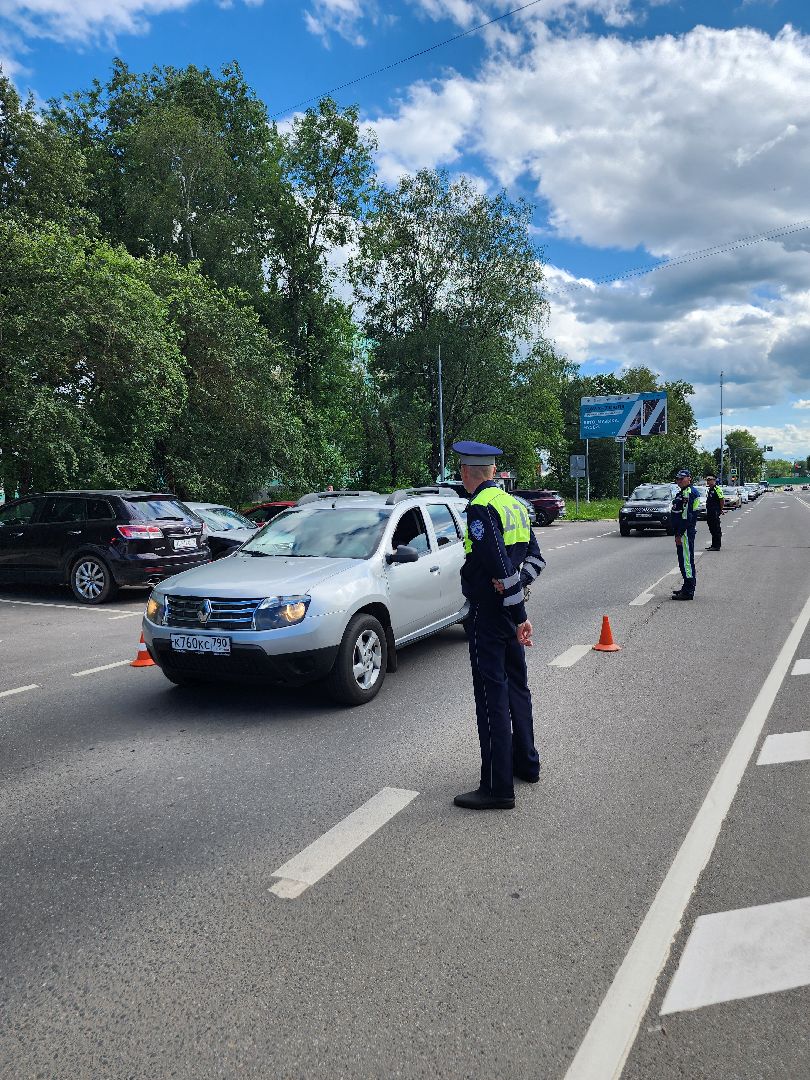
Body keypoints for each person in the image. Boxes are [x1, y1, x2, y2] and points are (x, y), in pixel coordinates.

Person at [451, 440, 546, 811]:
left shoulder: (480, 508)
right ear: (492, 471)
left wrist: (516, 608)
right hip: (508, 612)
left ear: (466, 473)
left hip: (490, 615)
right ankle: (527, 764)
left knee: (492, 697)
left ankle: (497, 786)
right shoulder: (515, 505)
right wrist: (519, 600)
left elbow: (497, 566)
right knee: (517, 689)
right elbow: (535, 561)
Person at [671, 468, 700, 600]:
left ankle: (688, 591)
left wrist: (678, 534)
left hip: (685, 532)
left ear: (689, 478)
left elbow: (686, 517)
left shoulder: (689, 493)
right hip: (683, 532)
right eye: (678, 479)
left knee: (687, 562)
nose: (679, 481)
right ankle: (686, 587)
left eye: (682, 479)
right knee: (684, 560)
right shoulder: (683, 492)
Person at [704, 473, 724, 550]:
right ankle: (713, 545)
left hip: (715, 512)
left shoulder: (717, 488)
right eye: (707, 480)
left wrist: (720, 509)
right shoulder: (710, 489)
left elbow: (721, 499)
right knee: (712, 528)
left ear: (714, 480)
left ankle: (717, 546)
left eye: (710, 480)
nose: (708, 481)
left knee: (716, 528)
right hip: (710, 512)